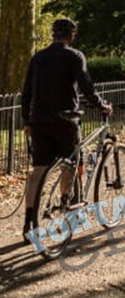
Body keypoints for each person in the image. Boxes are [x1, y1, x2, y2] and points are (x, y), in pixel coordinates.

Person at [20, 18, 112, 241]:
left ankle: (29, 223)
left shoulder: (38, 57)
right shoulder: (74, 55)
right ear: (71, 36)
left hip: (39, 120)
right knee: (69, 163)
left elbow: (27, 91)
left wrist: (26, 121)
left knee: (38, 170)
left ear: (53, 35)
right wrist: (101, 105)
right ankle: (67, 207)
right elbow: (86, 85)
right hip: (65, 120)